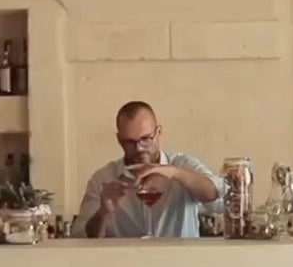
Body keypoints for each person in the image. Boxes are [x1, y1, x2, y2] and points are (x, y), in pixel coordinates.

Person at [72, 100, 224, 238]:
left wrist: (174, 172)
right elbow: (81, 237)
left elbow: (216, 195)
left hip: (181, 265)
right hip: (125, 266)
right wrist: (102, 213)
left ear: (158, 133)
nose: (139, 149)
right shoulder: (103, 179)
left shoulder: (182, 164)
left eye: (145, 139)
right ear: (119, 140)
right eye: (130, 142)